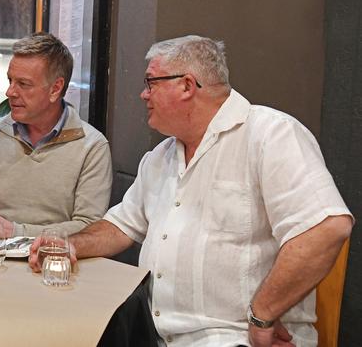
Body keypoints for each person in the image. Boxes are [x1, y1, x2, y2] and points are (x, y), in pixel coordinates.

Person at [29, 35, 353, 347]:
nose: (143, 95)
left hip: (238, 339)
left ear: (187, 85)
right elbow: (120, 226)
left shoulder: (270, 135)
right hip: (151, 334)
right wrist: (70, 245)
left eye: (150, 82)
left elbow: (326, 228)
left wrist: (262, 316)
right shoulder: (160, 157)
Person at [0, 32, 112, 238]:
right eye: (10, 80)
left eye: (23, 84)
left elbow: (89, 227)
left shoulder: (92, 146)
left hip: (56, 264)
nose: (10, 92)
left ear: (55, 89)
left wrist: (15, 232)